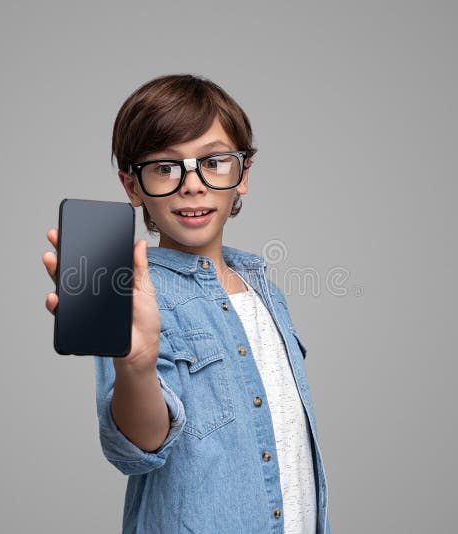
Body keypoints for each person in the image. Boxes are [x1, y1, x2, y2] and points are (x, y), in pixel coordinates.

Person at [42, 74, 331, 533]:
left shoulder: (264, 289)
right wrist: (136, 368)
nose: (191, 185)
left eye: (214, 161)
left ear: (243, 175)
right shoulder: (134, 294)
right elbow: (138, 447)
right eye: (165, 167)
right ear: (132, 185)